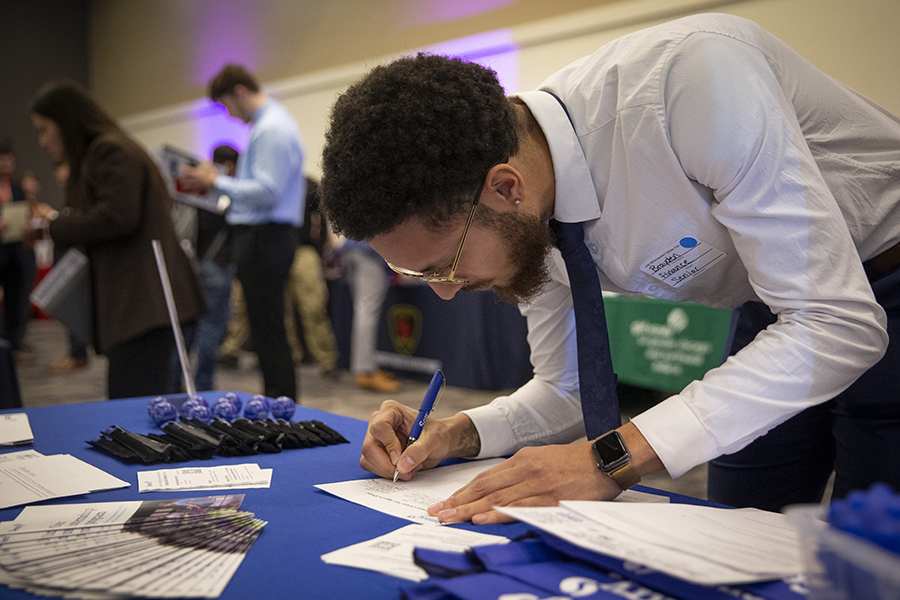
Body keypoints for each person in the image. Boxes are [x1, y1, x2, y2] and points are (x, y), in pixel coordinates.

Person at [320, 13, 900, 522]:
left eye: (443, 266)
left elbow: (836, 320)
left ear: (505, 187)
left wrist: (611, 458)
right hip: (778, 311)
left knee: (870, 551)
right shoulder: (523, 212)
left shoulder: (692, 82)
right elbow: (567, 392)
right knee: (731, 525)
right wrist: (457, 434)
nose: (445, 294)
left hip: (879, 277)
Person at [29, 80, 206, 400]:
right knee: (139, 404)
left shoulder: (108, 149)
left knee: (134, 410)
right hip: (142, 305)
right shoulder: (111, 148)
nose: (43, 141)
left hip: (142, 304)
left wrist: (54, 226)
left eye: (45, 129)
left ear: (66, 122)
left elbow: (118, 216)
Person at [179, 64, 304, 401]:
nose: (230, 117)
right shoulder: (271, 125)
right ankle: (279, 401)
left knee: (269, 330)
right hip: (267, 236)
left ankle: (281, 403)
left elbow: (266, 192)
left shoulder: (270, 129)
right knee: (267, 330)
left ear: (239, 92)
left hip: (266, 237)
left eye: (226, 107)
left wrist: (216, 181)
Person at [168, 145, 238, 392]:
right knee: (210, 329)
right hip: (217, 267)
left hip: (191, 265)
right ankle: (204, 387)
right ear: (230, 165)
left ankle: (174, 385)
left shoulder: (193, 189)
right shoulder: (226, 191)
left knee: (185, 329)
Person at [285, 177, 339, 376]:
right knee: (282, 311)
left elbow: (322, 215)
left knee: (314, 307)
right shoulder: (273, 181)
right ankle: (290, 357)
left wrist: (320, 247)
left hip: (304, 251)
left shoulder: (306, 184)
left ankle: (327, 360)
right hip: (277, 250)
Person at [338, 239, 401, 393]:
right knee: (366, 312)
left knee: (363, 311)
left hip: (351, 249)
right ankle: (365, 371)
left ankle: (367, 367)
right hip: (369, 252)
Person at [0, 142, 34, 363]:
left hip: (14, 254)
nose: (7, 164)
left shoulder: (18, 189)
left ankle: (12, 346)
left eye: (10, 160)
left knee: (14, 301)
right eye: (3, 160)